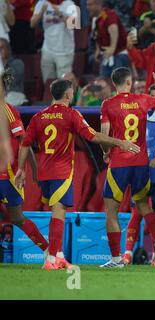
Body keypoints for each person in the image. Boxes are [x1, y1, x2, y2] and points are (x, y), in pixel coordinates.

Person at [14, 78, 140, 270]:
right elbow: (94, 136)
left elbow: (24, 144)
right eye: (72, 92)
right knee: (59, 212)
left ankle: (59, 257)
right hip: (61, 172)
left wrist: (21, 169)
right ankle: (51, 260)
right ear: (68, 95)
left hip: (43, 173)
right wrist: (120, 143)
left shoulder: (38, 117)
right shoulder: (71, 114)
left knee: (56, 212)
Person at [99, 66, 155, 268]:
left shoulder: (108, 104)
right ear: (129, 82)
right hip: (140, 163)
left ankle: (116, 258)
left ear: (114, 83)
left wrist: (105, 151)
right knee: (144, 205)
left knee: (112, 212)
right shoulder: (142, 99)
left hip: (119, 163)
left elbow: (104, 133)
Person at [0, 69, 49, 261]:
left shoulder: (8, 110)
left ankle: (48, 251)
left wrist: (34, 169)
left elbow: (24, 142)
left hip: (7, 175)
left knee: (17, 218)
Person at [124, 86, 155, 266]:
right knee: (136, 214)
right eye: (152, 97)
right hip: (141, 174)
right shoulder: (139, 119)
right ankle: (127, 253)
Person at [31, 0, 75, 83]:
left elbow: (72, 26)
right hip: (47, 50)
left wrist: (59, 13)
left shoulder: (70, 4)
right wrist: (41, 12)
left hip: (64, 52)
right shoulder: (42, 3)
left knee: (63, 86)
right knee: (48, 83)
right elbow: (32, 24)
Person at [86, 0, 130, 78]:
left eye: (90, 5)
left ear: (98, 5)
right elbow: (96, 34)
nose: (87, 8)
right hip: (107, 55)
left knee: (118, 80)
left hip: (119, 53)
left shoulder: (108, 14)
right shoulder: (94, 18)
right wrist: (98, 49)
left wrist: (112, 47)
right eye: (87, 5)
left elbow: (113, 27)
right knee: (103, 80)